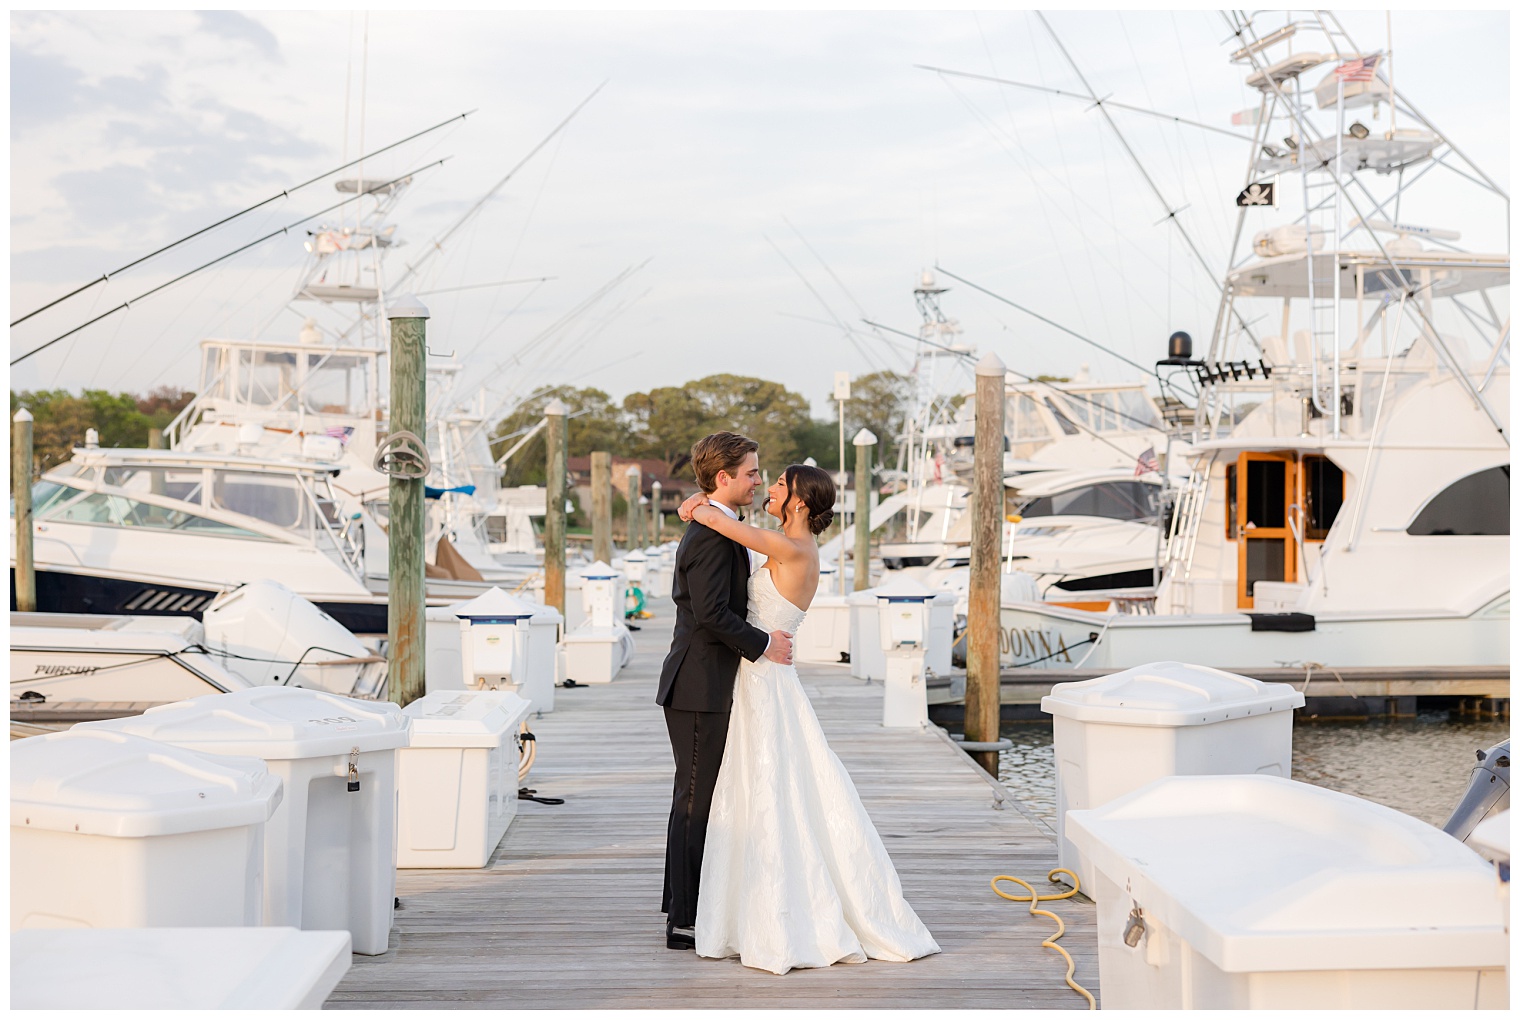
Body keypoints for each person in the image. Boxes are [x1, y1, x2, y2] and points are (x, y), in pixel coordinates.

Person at [676, 462, 940, 976]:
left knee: (770, 788)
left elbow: (721, 523)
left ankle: (776, 914)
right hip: (761, 676)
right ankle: (741, 910)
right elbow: (724, 525)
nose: (769, 487)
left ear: (798, 502)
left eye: (779, 484)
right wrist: (700, 506)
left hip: (764, 680)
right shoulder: (786, 542)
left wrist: (696, 505)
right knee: (763, 785)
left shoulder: (792, 548)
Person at [656, 432, 795, 952]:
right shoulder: (711, 535)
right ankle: (683, 919)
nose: (758, 480)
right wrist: (764, 644)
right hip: (697, 683)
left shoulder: (719, 524)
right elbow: (712, 613)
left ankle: (684, 905)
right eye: (752, 472)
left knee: (698, 797)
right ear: (724, 478)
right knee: (695, 800)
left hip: (709, 680)